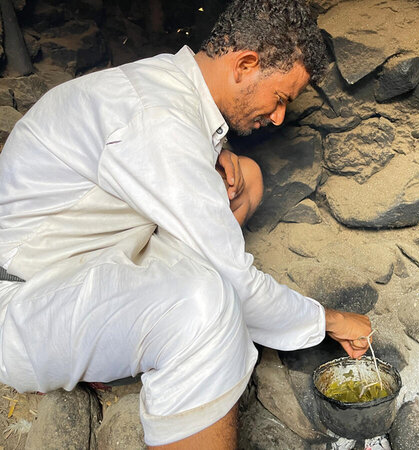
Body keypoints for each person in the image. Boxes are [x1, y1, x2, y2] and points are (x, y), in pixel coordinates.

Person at [0, 0, 372, 448]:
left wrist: (212, 153)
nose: (278, 117)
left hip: (79, 259)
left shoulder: (167, 83)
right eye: (280, 99)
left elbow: (163, 154)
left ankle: (126, 342)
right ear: (246, 64)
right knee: (208, 304)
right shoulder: (157, 119)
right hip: (24, 303)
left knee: (245, 178)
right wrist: (330, 321)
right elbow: (239, 284)